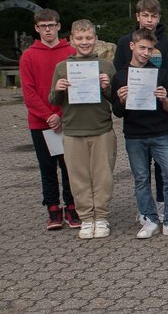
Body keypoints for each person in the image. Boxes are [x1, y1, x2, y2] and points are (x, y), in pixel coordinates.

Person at [112, 0, 168, 220]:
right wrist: (123, 98)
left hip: (160, 125)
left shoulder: (167, 50)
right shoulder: (123, 54)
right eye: (145, 15)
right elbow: (117, 107)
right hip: (134, 128)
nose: (145, 52)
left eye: (149, 49)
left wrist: (164, 98)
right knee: (141, 177)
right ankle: (147, 214)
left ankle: (166, 212)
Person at [48, 19, 117, 239]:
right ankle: (87, 218)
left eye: (89, 38)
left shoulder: (106, 66)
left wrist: (107, 88)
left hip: (101, 129)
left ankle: (102, 217)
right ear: (71, 40)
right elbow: (53, 99)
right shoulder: (62, 67)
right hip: (73, 131)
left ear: (95, 40)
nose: (84, 42)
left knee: (102, 176)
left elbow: (116, 102)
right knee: (78, 177)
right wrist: (59, 90)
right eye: (80, 38)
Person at [20, 9, 79, 230]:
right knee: (47, 168)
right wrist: (48, 115)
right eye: (43, 26)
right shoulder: (28, 56)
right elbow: (29, 93)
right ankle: (53, 209)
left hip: (67, 120)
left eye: (51, 25)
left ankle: (71, 206)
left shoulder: (71, 52)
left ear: (58, 26)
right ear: (36, 28)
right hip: (40, 122)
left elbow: (78, 88)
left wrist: (61, 115)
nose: (47, 29)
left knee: (69, 167)